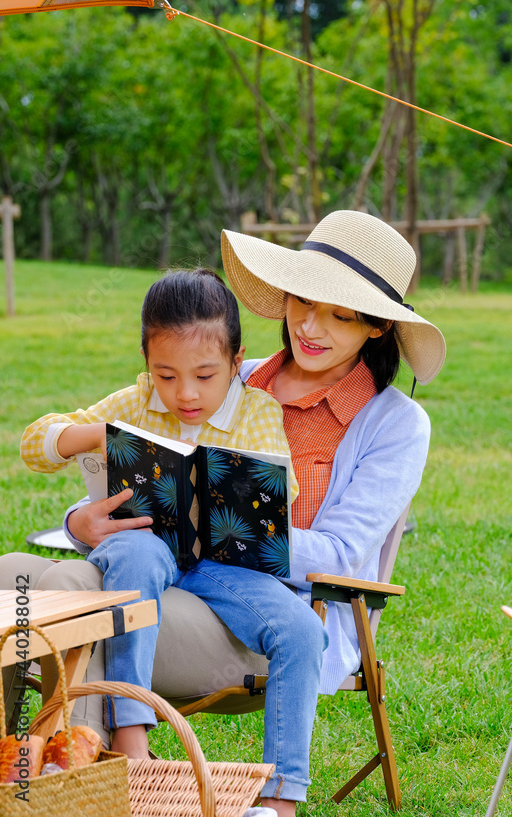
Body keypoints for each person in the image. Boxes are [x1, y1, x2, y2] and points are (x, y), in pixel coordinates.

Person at [2, 211, 446, 816]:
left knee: (64, 591)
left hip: (261, 602)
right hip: (157, 571)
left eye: (341, 314)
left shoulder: (393, 423)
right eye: (302, 302)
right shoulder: (225, 369)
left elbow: (341, 555)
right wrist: (83, 520)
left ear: (376, 326)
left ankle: (66, 783)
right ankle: (33, 776)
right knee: (15, 575)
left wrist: (226, 522)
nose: (311, 327)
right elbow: (125, 455)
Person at [19, 268, 298, 760]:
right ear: (148, 363)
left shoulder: (258, 411)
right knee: (138, 551)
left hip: (223, 568)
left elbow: (283, 493)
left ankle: (281, 791)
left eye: (205, 376)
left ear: (236, 362)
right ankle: (129, 730)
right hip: (145, 552)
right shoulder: (136, 402)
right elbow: (34, 445)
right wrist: (90, 436)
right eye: (167, 376)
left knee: (303, 632)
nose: (185, 394)